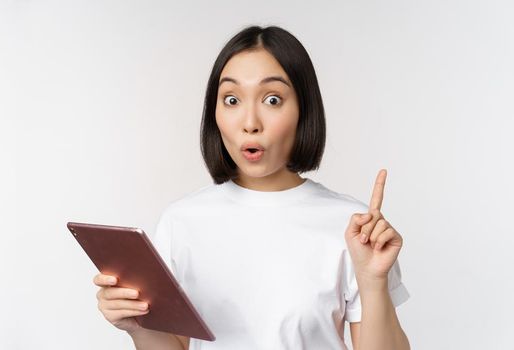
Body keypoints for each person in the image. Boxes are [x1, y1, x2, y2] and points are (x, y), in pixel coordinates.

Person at [92, 25, 411, 350]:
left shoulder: (353, 227)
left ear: (303, 110)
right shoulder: (182, 222)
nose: (250, 122)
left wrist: (373, 283)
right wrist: (138, 327)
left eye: (272, 99)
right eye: (231, 99)